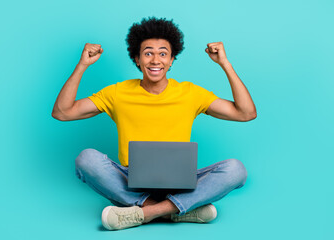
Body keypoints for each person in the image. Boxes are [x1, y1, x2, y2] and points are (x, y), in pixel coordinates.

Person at [52, 17, 256, 231]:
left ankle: (146, 213)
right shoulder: (117, 93)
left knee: (236, 170)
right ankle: (175, 211)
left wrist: (225, 64)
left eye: (163, 53)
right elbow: (63, 112)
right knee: (86, 159)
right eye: (148, 53)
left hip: (181, 184)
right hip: (131, 180)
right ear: (137, 59)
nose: (155, 60)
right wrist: (82, 65)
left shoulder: (191, 93)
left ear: (171, 60)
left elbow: (246, 113)